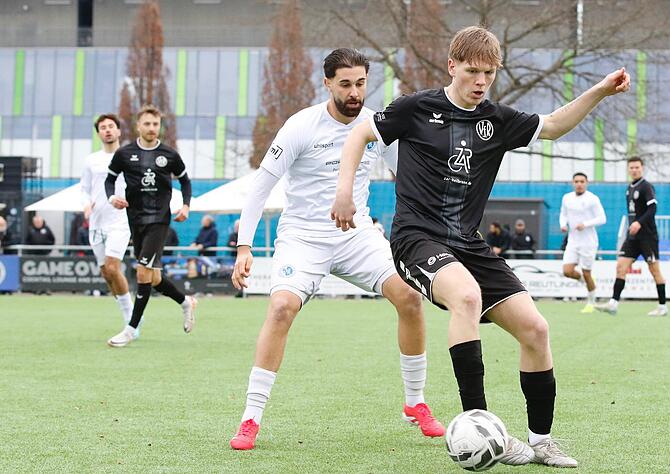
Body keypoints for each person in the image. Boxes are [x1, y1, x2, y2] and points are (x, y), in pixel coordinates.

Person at [332, 26, 630, 468]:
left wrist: (600, 91)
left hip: (467, 244)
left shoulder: (497, 120)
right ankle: (480, 423)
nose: (480, 81)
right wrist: (344, 194)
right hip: (416, 238)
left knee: (536, 330)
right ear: (452, 66)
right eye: (472, 71)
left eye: (488, 73)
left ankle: (542, 442)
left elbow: (552, 126)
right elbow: (360, 134)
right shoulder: (416, 108)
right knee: (466, 296)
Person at [228, 48, 444, 451]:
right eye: (345, 84)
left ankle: (415, 403)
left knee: (410, 298)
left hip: (358, 235)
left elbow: (408, 177)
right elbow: (261, 187)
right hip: (303, 238)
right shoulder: (301, 126)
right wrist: (244, 246)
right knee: (280, 309)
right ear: (327, 83)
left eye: (360, 83)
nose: (354, 92)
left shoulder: (377, 125)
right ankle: (251, 418)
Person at [104, 105, 196, 348]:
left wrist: (186, 206)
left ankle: (131, 329)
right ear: (138, 126)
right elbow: (109, 179)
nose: (152, 128)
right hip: (135, 221)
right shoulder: (124, 154)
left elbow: (185, 181)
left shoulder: (170, 154)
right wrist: (112, 198)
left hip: (159, 220)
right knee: (153, 278)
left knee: (142, 272)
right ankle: (185, 301)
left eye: (155, 124)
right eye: (147, 124)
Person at [79, 113, 134, 326]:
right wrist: (85, 204)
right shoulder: (91, 160)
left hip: (120, 221)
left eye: (111, 126)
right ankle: (126, 312)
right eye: (103, 127)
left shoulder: (129, 156)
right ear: (99, 133)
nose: (108, 130)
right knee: (106, 273)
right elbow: (84, 189)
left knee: (112, 267)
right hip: (96, 222)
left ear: (119, 131)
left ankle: (132, 319)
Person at [595, 157, 668, 317]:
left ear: (642, 168)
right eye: (632, 168)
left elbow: (652, 208)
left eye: (637, 167)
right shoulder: (629, 188)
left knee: (654, 271)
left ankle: (662, 307)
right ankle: (613, 304)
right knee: (621, 266)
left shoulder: (646, 186)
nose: (634, 170)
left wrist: (639, 223)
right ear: (628, 170)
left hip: (648, 237)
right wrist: (633, 226)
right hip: (633, 237)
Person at [559, 172, 606, 313]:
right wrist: (563, 224)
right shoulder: (566, 198)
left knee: (587, 273)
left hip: (588, 242)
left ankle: (591, 303)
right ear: (573, 183)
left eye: (582, 181)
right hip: (573, 241)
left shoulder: (593, 199)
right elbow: (563, 214)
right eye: (576, 181)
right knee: (567, 271)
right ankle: (587, 282)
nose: (579, 184)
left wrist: (585, 224)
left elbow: (602, 218)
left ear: (586, 183)